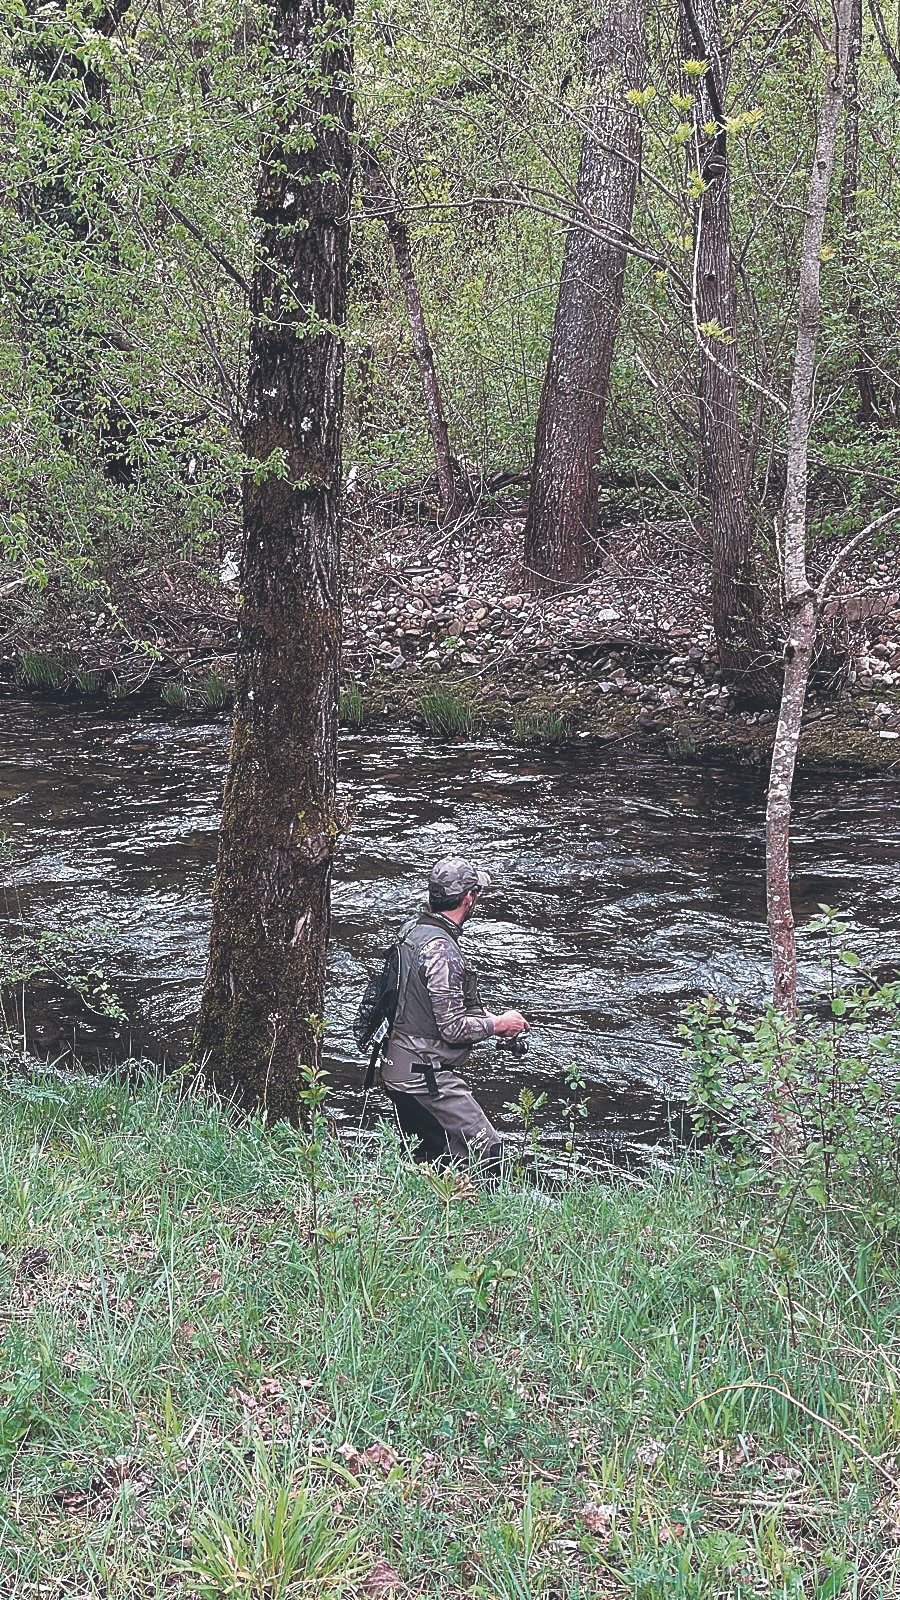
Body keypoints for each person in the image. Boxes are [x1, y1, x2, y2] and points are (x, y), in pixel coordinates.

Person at [379, 856, 527, 1168]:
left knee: (435, 1160)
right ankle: (491, 1213)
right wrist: (497, 1025)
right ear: (468, 899)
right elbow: (452, 1029)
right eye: (476, 894)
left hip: (398, 1068)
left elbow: (425, 1003)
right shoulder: (442, 950)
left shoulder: (412, 930)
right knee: (488, 1152)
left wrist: (487, 1019)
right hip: (422, 1078)